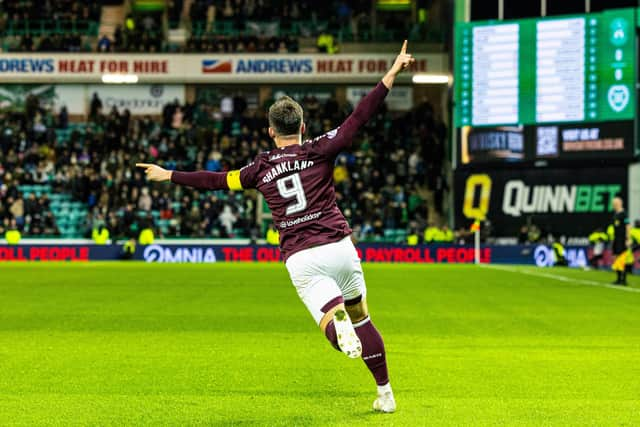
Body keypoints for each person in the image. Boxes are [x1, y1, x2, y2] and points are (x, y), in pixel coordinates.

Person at [136, 41, 415, 413]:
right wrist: (392, 72)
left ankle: (337, 326)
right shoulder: (321, 148)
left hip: (302, 257)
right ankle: (385, 394)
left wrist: (169, 174)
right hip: (339, 247)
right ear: (302, 126)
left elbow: (216, 180)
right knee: (363, 315)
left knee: (330, 321)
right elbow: (359, 117)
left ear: (270, 132)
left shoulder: (260, 169)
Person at [610, 195, 631, 285]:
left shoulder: (624, 214)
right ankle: (618, 278)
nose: (614, 205)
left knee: (622, 258)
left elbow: (628, 226)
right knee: (616, 257)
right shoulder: (615, 214)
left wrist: (628, 238)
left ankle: (624, 279)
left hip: (622, 239)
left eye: (615, 203)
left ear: (620, 203)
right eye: (613, 203)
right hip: (616, 238)